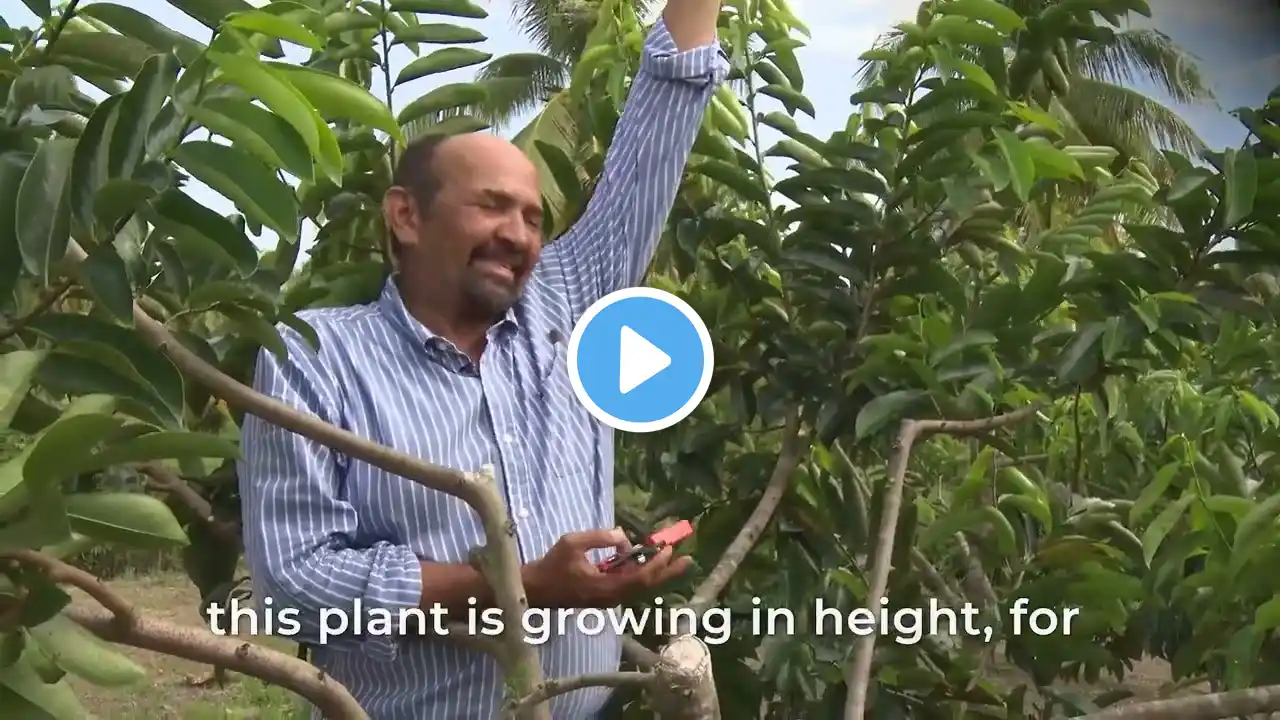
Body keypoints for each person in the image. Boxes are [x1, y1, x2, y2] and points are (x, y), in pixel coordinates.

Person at [236, 0, 729, 718]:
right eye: (492, 207)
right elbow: (297, 585)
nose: (519, 235)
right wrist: (515, 583)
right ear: (406, 216)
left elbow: (661, 120)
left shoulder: (562, 307)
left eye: (533, 217)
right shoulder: (316, 356)